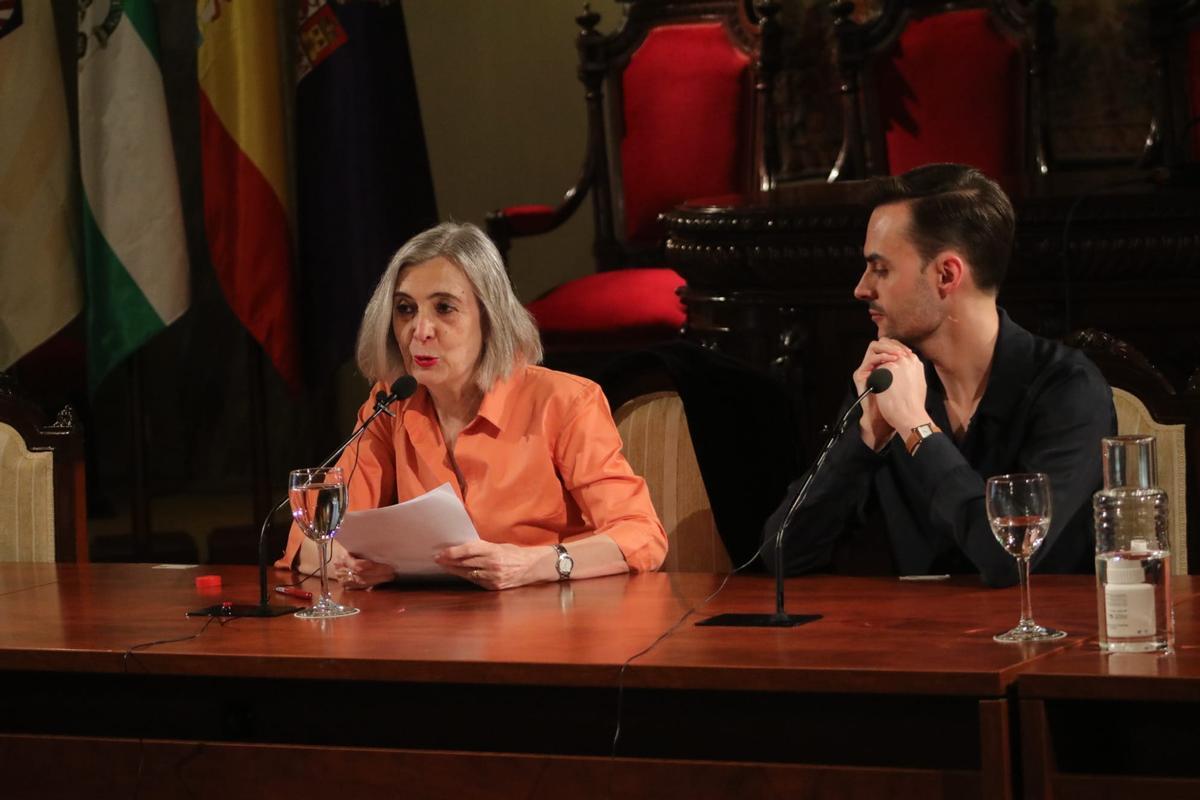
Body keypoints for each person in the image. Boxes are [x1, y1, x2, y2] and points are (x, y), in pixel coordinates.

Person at [761, 164, 1114, 586]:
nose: (861, 288)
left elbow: (1007, 559)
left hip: (1044, 640)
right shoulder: (892, 379)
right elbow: (784, 553)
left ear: (946, 274)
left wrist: (917, 430)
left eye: (881, 269)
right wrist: (865, 441)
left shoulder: (1067, 391)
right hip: (917, 641)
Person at [278, 222, 667, 589]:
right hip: (433, 626)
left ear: (490, 317)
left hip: (556, 618)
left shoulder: (564, 402)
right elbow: (310, 535)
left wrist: (532, 564)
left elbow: (640, 534)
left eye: (444, 308)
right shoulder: (391, 402)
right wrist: (343, 564)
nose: (420, 330)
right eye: (405, 309)